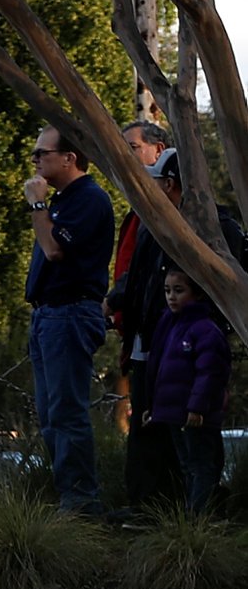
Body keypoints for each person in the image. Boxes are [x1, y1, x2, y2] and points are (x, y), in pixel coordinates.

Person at [25, 122, 117, 513]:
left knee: (66, 411)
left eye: (41, 153)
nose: (35, 161)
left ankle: (80, 503)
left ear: (69, 157)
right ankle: (68, 494)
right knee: (50, 414)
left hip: (70, 313)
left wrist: (37, 205)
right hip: (48, 315)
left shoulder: (88, 199)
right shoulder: (63, 200)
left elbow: (54, 250)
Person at [108, 138, 182, 506]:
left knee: (175, 433)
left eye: (155, 181)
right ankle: (143, 506)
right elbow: (134, 280)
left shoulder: (204, 229)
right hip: (144, 347)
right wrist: (112, 303)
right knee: (143, 428)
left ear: (169, 185)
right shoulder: (151, 228)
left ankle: (178, 511)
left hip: (180, 351)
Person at [144, 267, 231, 512]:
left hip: (196, 415)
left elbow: (211, 373)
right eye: (167, 291)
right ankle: (193, 513)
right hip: (174, 412)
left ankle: (199, 516)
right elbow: (159, 370)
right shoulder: (168, 326)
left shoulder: (205, 330)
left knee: (202, 464)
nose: (171, 297)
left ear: (197, 293)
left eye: (179, 291)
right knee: (187, 464)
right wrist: (153, 406)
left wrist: (197, 407)